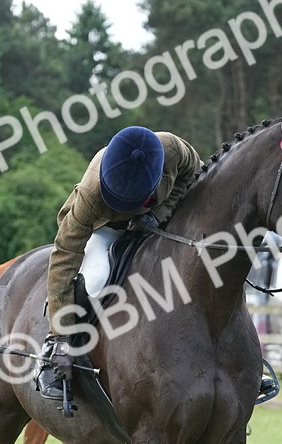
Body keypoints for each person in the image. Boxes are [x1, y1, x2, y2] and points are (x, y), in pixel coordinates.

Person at [35, 126, 202, 401]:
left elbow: (194, 178)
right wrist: (61, 337)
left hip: (157, 220)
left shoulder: (172, 149)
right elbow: (65, 255)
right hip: (105, 227)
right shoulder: (91, 194)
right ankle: (56, 351)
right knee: (97, 277)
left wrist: (159, 213)